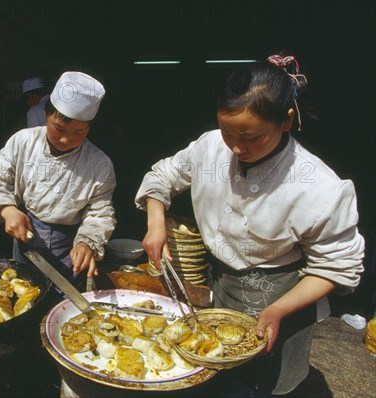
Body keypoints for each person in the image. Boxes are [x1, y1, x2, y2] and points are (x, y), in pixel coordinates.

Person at [135, 54, 365, 395]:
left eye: (253, 137)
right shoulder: (210, 148)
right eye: (228, 133)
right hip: (224, 283)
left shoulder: (317, 186)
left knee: (271, 385)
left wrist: (278, 310)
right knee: (218, 374)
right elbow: (162, 177)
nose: (238, 147)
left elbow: (338, 266)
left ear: (286, 121)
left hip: (285, 296)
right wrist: (156, 223)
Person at [0, 71, 116, 291]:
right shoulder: (23, 142)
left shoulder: (99, 163)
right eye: (59, 128)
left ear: (89, 128)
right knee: (23, 294)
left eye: (78, 132)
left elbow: (99, 211)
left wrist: (86, 242)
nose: (65, 139)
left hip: (70, 246)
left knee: (66, 304)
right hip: (27, 236)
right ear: (46, 116)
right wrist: (7, 209)